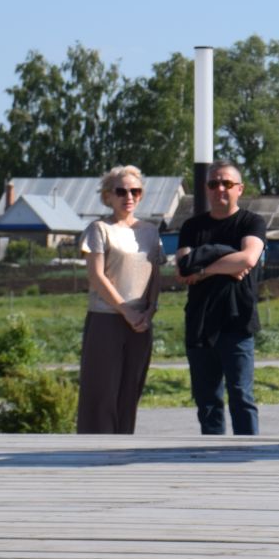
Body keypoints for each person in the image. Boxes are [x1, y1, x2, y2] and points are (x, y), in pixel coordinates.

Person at [176, 161, 267, 434]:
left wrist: (203, 267)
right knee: (207, 401)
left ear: (240, 189)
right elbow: (182, 271)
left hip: (236, 320)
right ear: (206, 189)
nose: (220, 189)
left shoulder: (252, 222)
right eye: (214, 184)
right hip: (200, 322)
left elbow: (248, 257)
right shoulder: (192, 227)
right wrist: (227, 262)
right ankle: (210, 455)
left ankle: (247, 457)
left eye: (227, 183)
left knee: (241, 396)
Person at [75, 165, 163, 433]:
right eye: (121, 191)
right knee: (101, 391)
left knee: (130, 390)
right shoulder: (99, 229)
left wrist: (148, 312)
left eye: (135, 191)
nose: (129, 196)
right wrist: (126, 311)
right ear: (108, 196)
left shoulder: (150, 231)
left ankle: (123, 445)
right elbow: (97, 277)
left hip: (140, 324)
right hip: (106, 320)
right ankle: (94, 449)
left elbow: (155, 276)